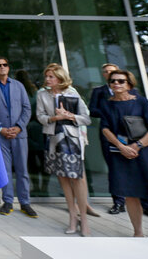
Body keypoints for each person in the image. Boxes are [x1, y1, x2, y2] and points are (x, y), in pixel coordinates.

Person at [100, 69, 148, 237]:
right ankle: (138, 233)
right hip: (122, 153)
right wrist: (121, 146)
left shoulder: (141, 102)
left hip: (146, 154)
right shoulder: (107, 104)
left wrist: (137, 146)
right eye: (113, 81)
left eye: (121, 81)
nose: (116, 83)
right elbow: (105, 128)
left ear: (129, 84)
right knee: (131, 196)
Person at [36, 63, 92, 236]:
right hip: (54, 139)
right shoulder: (42, 95)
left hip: (73, 140)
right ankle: (72, 217)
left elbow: (86, 118)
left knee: (77, 178)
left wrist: (70, 116)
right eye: (47, 76)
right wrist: (55, 117)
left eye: (51, 76)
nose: (48, 79)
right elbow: (40, 117)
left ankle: (84, 219)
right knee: (63, 179)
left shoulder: (72, 93)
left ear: (60, 78)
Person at [0, 57, 36, 218]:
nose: (2, 67)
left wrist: (19, 126)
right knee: (5, 170)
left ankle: (25, 202)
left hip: (19, 134)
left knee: (22, 170)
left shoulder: (19, 86)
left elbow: (27, 108)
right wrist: (0, 128)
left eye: (5, 65)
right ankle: (7, 201)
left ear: (8, 67)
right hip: (0, 135)